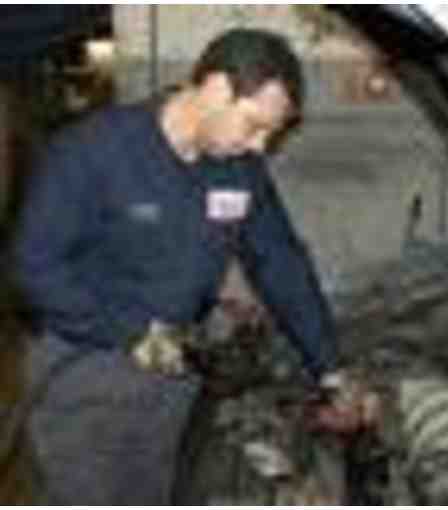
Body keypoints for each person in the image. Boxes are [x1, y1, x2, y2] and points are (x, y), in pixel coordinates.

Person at [12, 28, 360, 504]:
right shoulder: (93, 151)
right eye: (254, 125)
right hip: (86, 373)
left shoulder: (239, 169)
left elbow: (280, 261)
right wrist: (129, 333)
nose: (260, 146)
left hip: (172, 377)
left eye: (271, 134)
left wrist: (330, 367)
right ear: (216, 89)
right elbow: (35, 267)